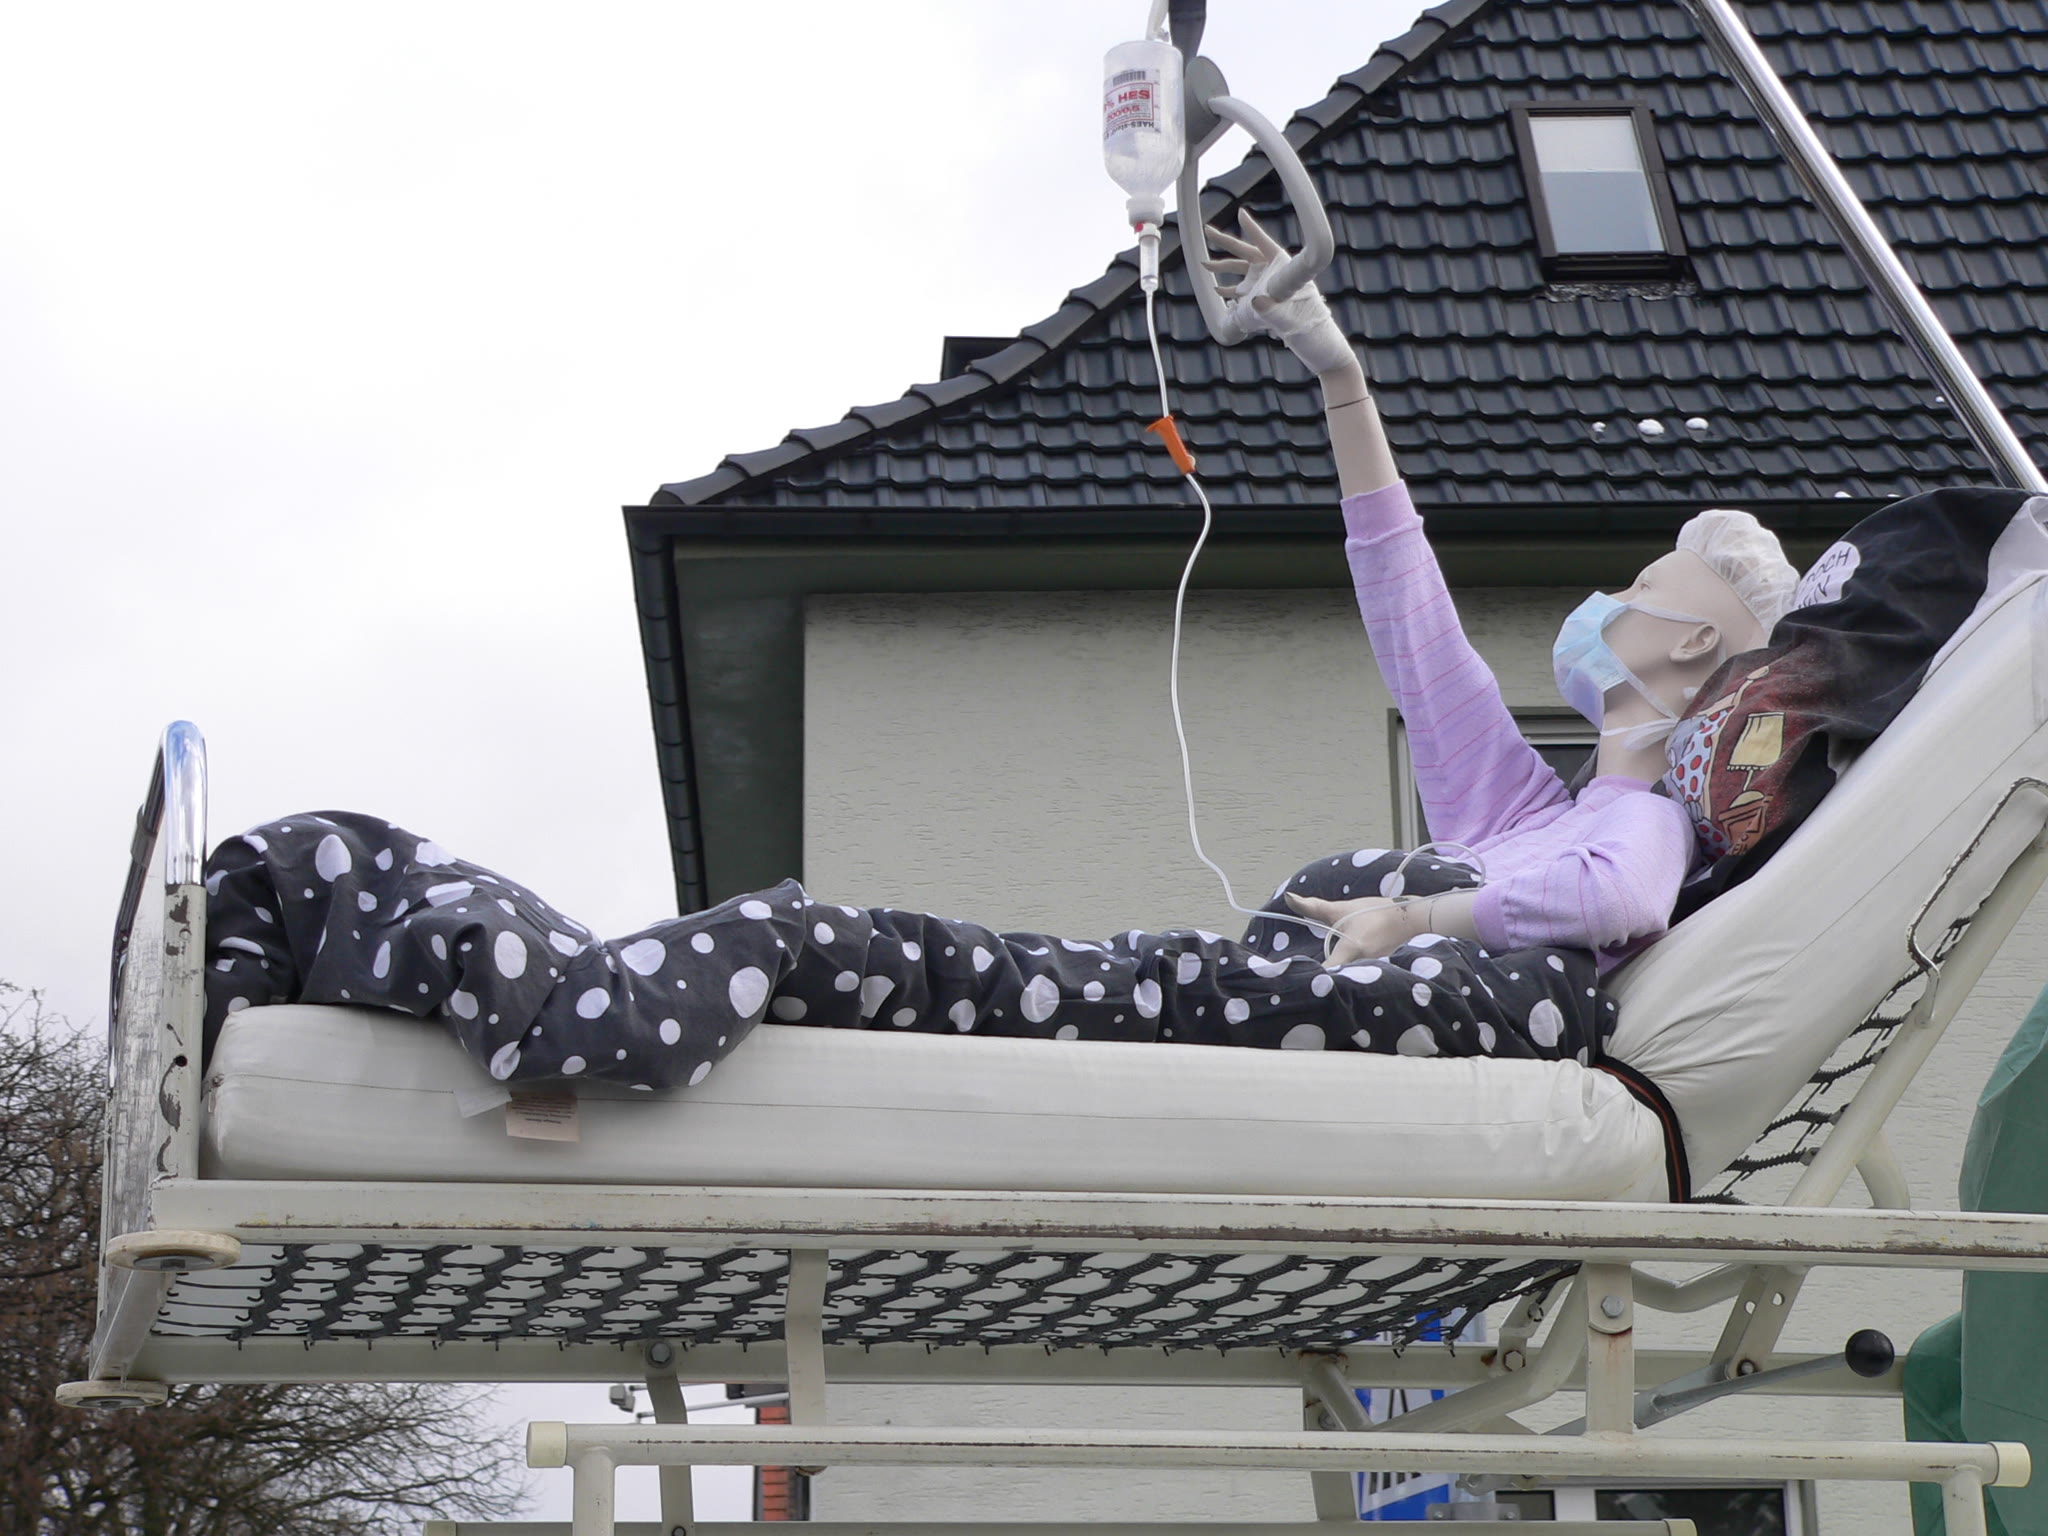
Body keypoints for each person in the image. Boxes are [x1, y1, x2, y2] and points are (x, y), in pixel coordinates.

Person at [201, 215, 1799, 1093]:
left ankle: (478, 969)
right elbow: (1410, 613)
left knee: (834, 943)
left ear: (1689, 647)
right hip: (1202, 984)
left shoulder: (1629, 831)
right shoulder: (1518, 802)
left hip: (1191, 1012)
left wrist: (1415, 914)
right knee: (847, 946)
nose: (1604, 598)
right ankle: (406, 931)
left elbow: (1620, 901)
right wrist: (1339, 380)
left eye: (1638, 581)